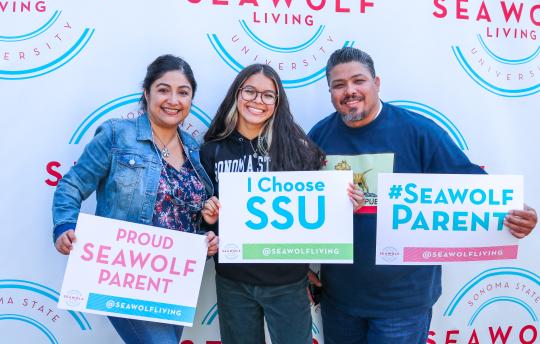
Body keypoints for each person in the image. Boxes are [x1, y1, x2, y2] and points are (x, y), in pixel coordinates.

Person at [307, 47, 538, 344]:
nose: (350, 91)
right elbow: (303, 206)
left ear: (376, 83)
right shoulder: (319, 137)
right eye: (339, 85)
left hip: (402, 303)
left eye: (358, 81)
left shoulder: (418, 131)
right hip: (340, 299)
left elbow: (470, 186)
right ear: (330, 92)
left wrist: (515, 213)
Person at [52, 54, 219, 344]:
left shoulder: (194, 149)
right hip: (123, 276)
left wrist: (208, 233)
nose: (173, 100)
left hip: (173, 282)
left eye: (183, 92)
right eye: (163, 89)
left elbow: (194, 214)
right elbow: (72, 185)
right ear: (147, 92)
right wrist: (63, 226)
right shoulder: (118, 134)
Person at [199, 63, 366, 344]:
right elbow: (203, 219)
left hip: (287, 281)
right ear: (236, 94)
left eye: (268, 95)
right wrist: (210, 218)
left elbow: (316, 207)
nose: (257, 101)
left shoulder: (298, 150)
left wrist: (347, 201)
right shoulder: (212, 150)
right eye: (250, 91)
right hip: (233, 280)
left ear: (277, 103)